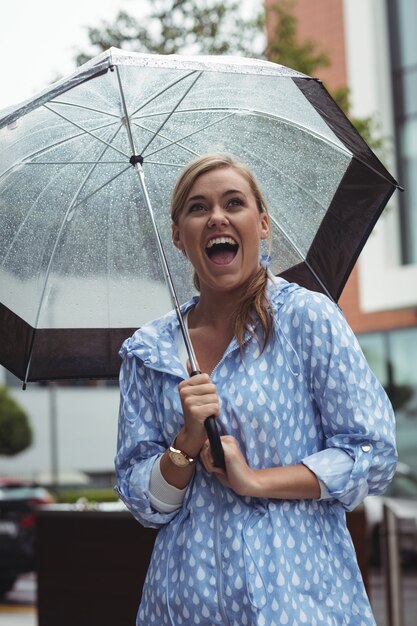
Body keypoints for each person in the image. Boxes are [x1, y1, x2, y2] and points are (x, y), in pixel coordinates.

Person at [115, 153, 397, 626]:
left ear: (262, 223)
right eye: (198, 208)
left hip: (300, 600)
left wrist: (256, 480)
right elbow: (145, 503)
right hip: (184, 604)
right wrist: (183, 444)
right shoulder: (149, 351)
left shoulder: (307, 318)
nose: (217, 217)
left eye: (233, 202)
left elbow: (372, 451)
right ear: (178, 237)